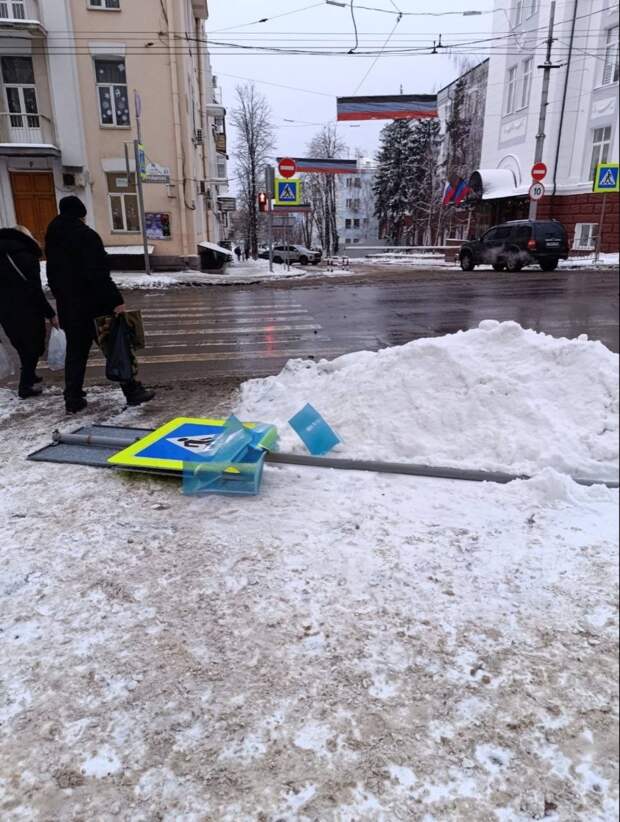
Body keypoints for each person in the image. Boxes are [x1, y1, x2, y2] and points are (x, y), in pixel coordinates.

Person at [45, 196, 155, 414]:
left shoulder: (53, 239)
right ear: (81, 214)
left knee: (76, 354)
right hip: (95, 306)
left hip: (70, 308)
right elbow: (98, 274)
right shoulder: (86, 236)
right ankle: (132, 391)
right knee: (115, 348)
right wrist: (116, 301)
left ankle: (72, 398)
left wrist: (64, 300)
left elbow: (53, 277)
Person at [0, 225, 58, 399]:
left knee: (21, 345)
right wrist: (50, 313)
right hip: (28, 310)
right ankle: (25, 386)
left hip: (5, 311)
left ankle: (30, 375)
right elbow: (34, 290)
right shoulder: (27, 256)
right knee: (33, 347)